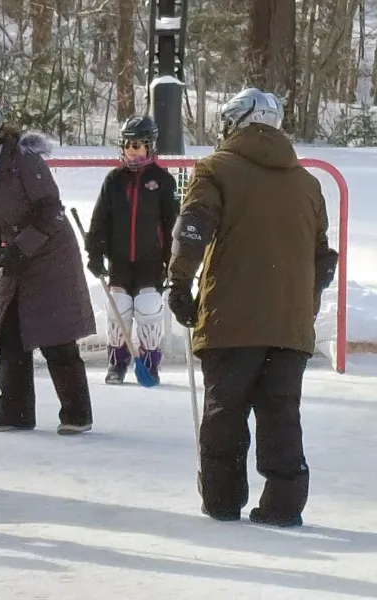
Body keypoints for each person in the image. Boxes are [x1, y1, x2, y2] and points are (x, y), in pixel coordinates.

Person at [167, 87, 339, 527]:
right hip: (289, 323)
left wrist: (180, 284)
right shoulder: (308, 182)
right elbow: (323, 258)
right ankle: (283, 503)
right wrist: (302, 303)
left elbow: (193, 230)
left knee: (226, 408)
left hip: (231, 317)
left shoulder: (214, 169)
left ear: (234, 123)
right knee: (281, 411)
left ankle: (223, 500)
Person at [0, 102, 96, 435]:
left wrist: (22, 247)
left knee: (55, 336)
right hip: (16, 257)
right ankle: (15, 412)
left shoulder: (23, 162)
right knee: (10, 334)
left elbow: (51, 212)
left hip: (51, 256)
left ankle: (77, 414)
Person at [84, 115, 180, 384]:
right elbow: (100, 219)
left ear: (150, 146)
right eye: (128, 145)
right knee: (118, 308)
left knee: (148, 307)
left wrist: (174, 261)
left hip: (151, 261)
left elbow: (172, 223)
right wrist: (94, 252)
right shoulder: (114, 180)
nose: (132, 151)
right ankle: (117, 364)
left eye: (138, 146)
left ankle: (149, 364)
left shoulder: (163, 181)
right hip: (120, 259)